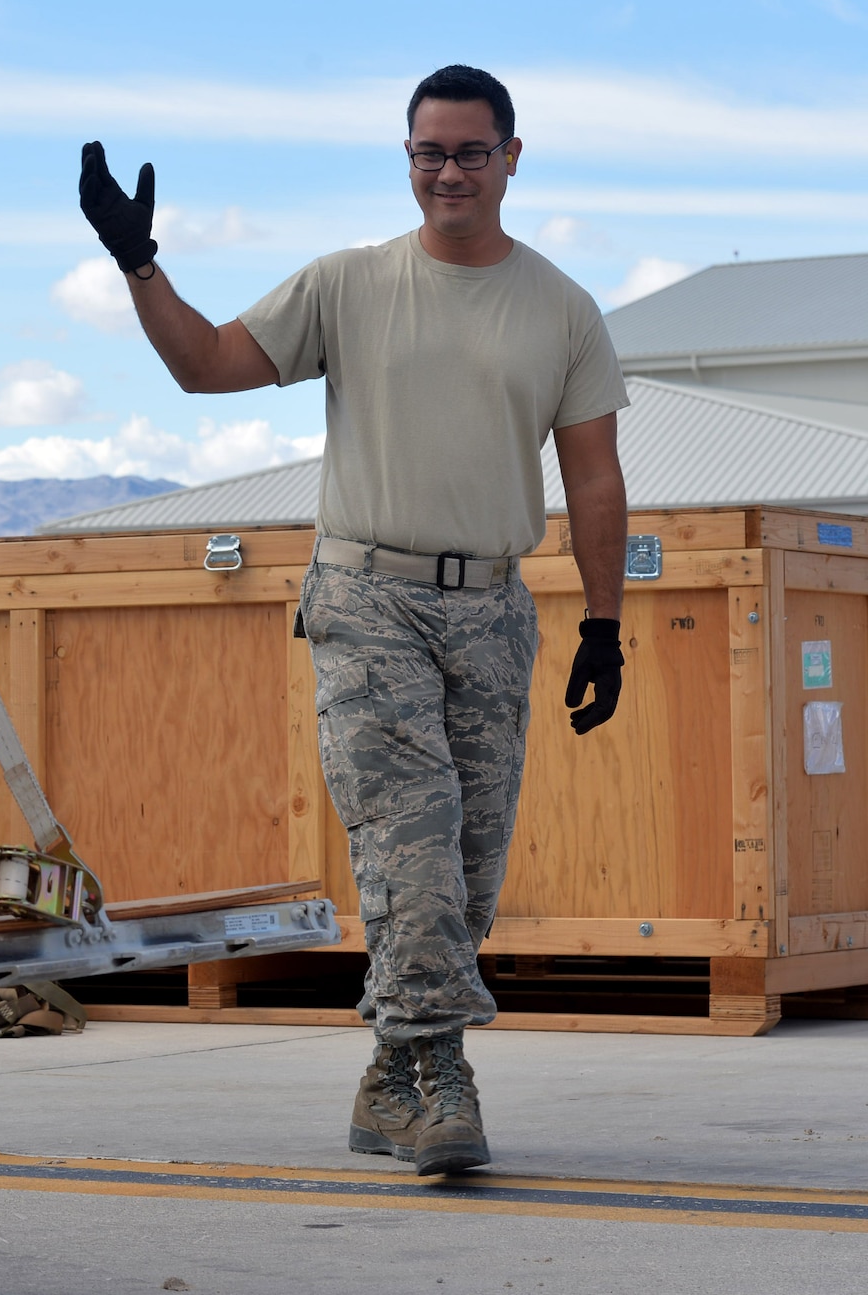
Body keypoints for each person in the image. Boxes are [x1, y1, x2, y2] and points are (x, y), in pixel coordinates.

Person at [77, 64, 628, 1176]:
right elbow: (208, 365)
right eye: (428, 151)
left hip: (490, 609)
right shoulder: (348, 283)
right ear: (406, 159)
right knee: (411, 836)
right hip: (366, 595)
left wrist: (603, 627)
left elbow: (597, 482)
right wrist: (137, 264)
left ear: (511, 157)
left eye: (471, 151)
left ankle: (387, 1075)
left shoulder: (561, 308)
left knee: (466, 862)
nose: (448, 171)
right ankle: (436, 1077)